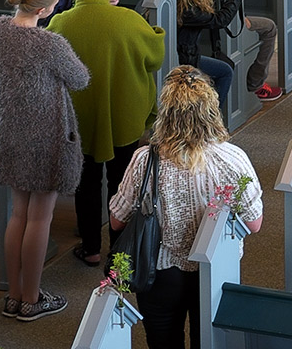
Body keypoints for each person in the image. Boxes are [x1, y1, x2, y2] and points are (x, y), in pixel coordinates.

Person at [110, 66, 263, 349]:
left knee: (162, 341)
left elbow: (118, 219)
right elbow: (254, 224)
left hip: (159, 269)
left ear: (165, 113)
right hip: (216, 268)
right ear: (212, 111)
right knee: (210, 341)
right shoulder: (233, 159)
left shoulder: (145, 159)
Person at [48, 0, 166, 267]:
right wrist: (119, 13)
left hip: (80, 119)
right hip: (123, 117)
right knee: (122, 184)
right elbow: (155, 54)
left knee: (86, 186)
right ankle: (120, 250)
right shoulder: (127, 19)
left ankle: (90, 247)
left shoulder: (60, 22)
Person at [0, 0, 90, 321]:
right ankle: (32, 299)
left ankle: (14, 296)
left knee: (18, 214)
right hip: (44, 135)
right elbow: (80, 79)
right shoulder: (49, 44)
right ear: (44, 9)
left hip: (10, 132)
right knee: (40, 218)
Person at [168, 0, 245, 107]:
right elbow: (220, 20)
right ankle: (210, 118)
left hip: (174, 54)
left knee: (225, 66)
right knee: (225, 71)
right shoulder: (189, 11)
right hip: (183, 61)